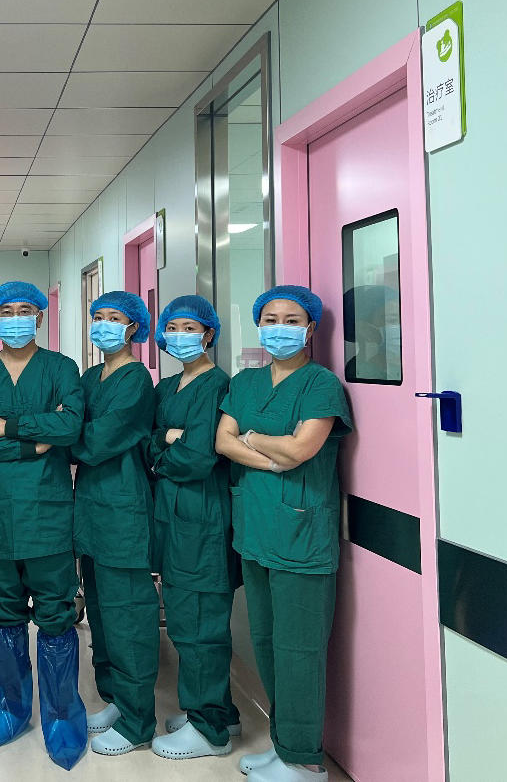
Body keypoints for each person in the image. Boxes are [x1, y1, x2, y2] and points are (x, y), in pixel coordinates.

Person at [215, 285, 352, 782]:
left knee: (300, 652)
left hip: (302, 537)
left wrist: (251, 438)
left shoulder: (321, 385)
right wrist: (270, 454)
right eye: (270, 320)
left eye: (292, 320)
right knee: (268, 643)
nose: (280, 329)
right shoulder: (246, 381)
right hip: (256, 531)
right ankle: (283, 746)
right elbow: (222, 441)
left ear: (310, 328)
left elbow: (300, 451)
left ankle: (305, 760)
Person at [0, 281, 88, 771]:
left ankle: (61, 714)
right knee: (3, 608)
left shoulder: (61, 368)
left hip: (48, 511)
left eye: (25, 310)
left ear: (40, 316)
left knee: (56, 611)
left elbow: (69, 428)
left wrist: (8, 426)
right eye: (6, 311)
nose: (16, 318)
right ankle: (10, 707)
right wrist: (36, 440)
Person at [145, 295, 243, 762]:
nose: (180, 335)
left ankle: (209, 731)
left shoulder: (218, 385)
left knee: (200, 627)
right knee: (187, 621)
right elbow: (147, 443)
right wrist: (167, 441)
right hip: (174, 518)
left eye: (190, 327)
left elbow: (200, 457)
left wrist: (165, 450)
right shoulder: (166, 387)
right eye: (173, 327)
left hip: (202, 522)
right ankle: (221, 713)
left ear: (208, 333)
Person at [72, 291, 158, 757]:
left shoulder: (136, 380)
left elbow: (96, 439)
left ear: (134, 328)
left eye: (115, 318)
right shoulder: (90, 377)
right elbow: (71, 423)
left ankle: (138, 720)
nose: (104, 325)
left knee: (127, 617)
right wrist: (63, 430)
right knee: (102, 615)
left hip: (122, 508)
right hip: (90, 508)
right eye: (98, 316)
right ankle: (115, 701)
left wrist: (57, 433)